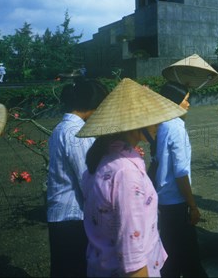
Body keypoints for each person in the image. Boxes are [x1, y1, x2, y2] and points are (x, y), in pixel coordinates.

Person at [79, 78, 187, 277]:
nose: (158, 122)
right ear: (135, 123)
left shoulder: (105, 158)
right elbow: (132, 257)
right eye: (152, 117)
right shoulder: (126, 174)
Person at [46, 79, 108, 277]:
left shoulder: (62, 127)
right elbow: (87, 179)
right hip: (72, 216)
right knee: (74, 268)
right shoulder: (76, 133)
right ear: (93, 106)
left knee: (63, 267)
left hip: (61, 213)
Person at [154, 82, 207, 277]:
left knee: (172, 254)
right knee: (188, 256)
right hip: (176, 200)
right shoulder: (176, 127)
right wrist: (193, 206)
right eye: (185, 100)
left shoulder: (162, 124)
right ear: (175, 102)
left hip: (164, 198)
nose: (188, 104)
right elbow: (181, 172)